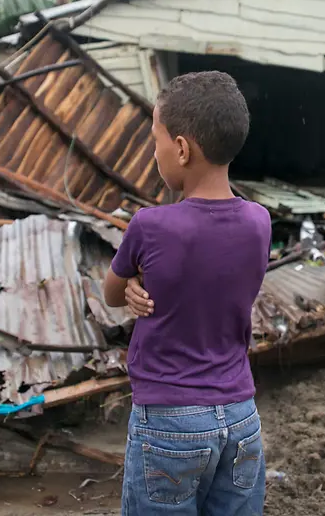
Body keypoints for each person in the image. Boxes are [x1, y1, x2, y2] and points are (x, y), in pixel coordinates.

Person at [103, 71, 271, 516]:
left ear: (181, 148)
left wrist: (134, 285)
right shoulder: (260, 222)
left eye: (156, 140)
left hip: (168, 422)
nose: (155, 151)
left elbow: (111, 293)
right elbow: (212, 278)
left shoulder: (150, 225)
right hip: (240, 418)